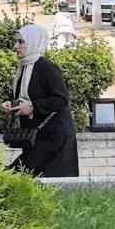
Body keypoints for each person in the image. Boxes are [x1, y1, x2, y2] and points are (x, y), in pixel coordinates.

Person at [5, 24, 79, 177]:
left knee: (24, 178)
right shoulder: (24, 67)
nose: (16, 46)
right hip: (36, 137)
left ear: (33, 42)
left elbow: (61, 99)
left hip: (53, 138)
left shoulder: (46, 68)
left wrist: (33, 107)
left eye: (20, 42)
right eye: (16, 42)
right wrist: (11, 104)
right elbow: (24, 96)